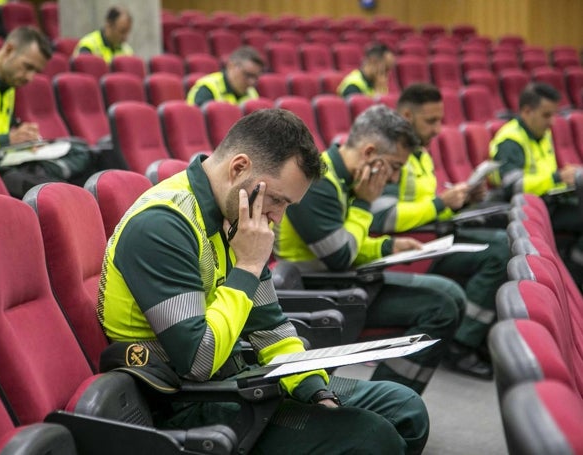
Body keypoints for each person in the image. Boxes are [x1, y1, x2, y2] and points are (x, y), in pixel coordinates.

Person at [98, 108, 430, 455]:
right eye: (277, 200)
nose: (277, 217)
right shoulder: (162, 225)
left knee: (404, 407)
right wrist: (249, 265)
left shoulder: (238, 217)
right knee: (370, 437)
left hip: (241, 379)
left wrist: (317, 392)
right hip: (185, 405)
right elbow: (199, 360)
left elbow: (271, 329)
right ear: (239, 168)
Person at [274, 105, 466, 394]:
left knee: (451, 293)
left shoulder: (347, 178)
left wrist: (387, 245)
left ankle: (392, 397)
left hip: (348, 281)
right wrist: (364, 203)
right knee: (441, 308)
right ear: (368, 153)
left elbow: (349, 241)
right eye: (395, 166)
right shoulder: (319, 183)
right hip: (318, 292)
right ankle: (390, 398)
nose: (393, 178)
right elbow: (339, 256)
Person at [369, 83, 510, 380]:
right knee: (498, 249)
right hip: (407, 246)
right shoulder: (390, 155)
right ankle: (460, 343)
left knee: (504, 238)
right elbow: (383, 217)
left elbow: (424, 206)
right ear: (407, 116)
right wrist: (439, 204)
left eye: (439, 120)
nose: (438, 129)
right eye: (430, 120)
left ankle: (474, 337)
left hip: (431, 235)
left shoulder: (419, 153)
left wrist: (459, 201)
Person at [0, 26, 93, 198]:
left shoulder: (8, 84)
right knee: (53, 191)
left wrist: (25, 135)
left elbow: (6, 126)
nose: (30, 77)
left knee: (82, 149)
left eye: (35, 71)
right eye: (27, 67)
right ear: (9, 50)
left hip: (9, 158)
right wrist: (8, 139)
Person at [489, 82, 583, 281]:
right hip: (527, 212)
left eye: (554, 115)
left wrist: (566, 178)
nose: (552, 122)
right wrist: (557, 177)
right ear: (526, 111)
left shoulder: (542, 133)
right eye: (546, 115)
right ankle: (575, 276)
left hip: (549, 203)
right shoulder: (510, 139)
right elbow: (513, 186)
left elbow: (545, 176)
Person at [187, 46, 263, 107]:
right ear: (231, 66)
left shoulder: (252, 93)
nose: (252, 82)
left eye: (256, 77)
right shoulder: (207, 88)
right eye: (248, 75)